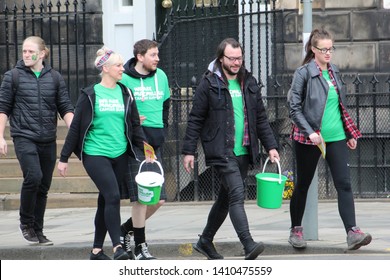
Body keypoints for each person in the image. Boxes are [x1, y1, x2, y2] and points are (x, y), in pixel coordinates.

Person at [182, 38, 280, 260]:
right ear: (221, 58)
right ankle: (248, 244)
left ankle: (205, 240)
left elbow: (261, 118)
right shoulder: (209, 84)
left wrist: (271, 146)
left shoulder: (249, 81)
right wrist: (188, 151)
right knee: (237, 193)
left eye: (239, 58)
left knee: (226, 198)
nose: (236, 63)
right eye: (232, 59)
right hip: (221, 150)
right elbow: (195, 118)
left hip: (245, 150)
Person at [57, 47, 148, 260]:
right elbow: (76, 128)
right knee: (113, 196)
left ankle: (96, 250)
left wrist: (146, 150)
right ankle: (117, 246)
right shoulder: (90, 94)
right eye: (118, 65)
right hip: (95, 154)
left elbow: (134, 125)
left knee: (105, 200)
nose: (122, 69)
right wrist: (63, 158)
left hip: (120, 154)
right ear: (105, 68)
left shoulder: (126, 92)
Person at [287, 28, 372, 250]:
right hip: (310, 138)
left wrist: (349, 133)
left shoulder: (334, 71)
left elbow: (339, 106)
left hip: (335, 137)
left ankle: (352, 232)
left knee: (344, 184)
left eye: (330, 48)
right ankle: (296, 230)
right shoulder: (303, 73)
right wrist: (310, 132)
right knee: (303, 184)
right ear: (313, 49)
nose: (328, 53)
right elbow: (293, 108)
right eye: (323, 49)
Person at [0, 36, 74, 246]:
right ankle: (26, 223)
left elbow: (66, 107)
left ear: (42, 54)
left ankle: (38, 230)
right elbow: (3, 108)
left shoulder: (55, 78)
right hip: (24, 136)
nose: (26, 55)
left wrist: (77, 130)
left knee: (43, 186)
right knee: (33, 176)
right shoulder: (12, 76)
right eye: (23, 51)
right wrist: (0, 137)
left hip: (47, 139)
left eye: (30, 51)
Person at [119, 39, 170, 260]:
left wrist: (164, 130)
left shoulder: (162, 76)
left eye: (157, 54)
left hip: (154, 145)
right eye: (153, 55)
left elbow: (166, 105)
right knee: (141, 198)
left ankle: (126, 230)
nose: (157, 58)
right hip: (136, 144)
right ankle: (140, 246)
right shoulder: (126, 79)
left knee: (158, 199)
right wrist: (130, 120)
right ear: (140, 56)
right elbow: (118, 109)